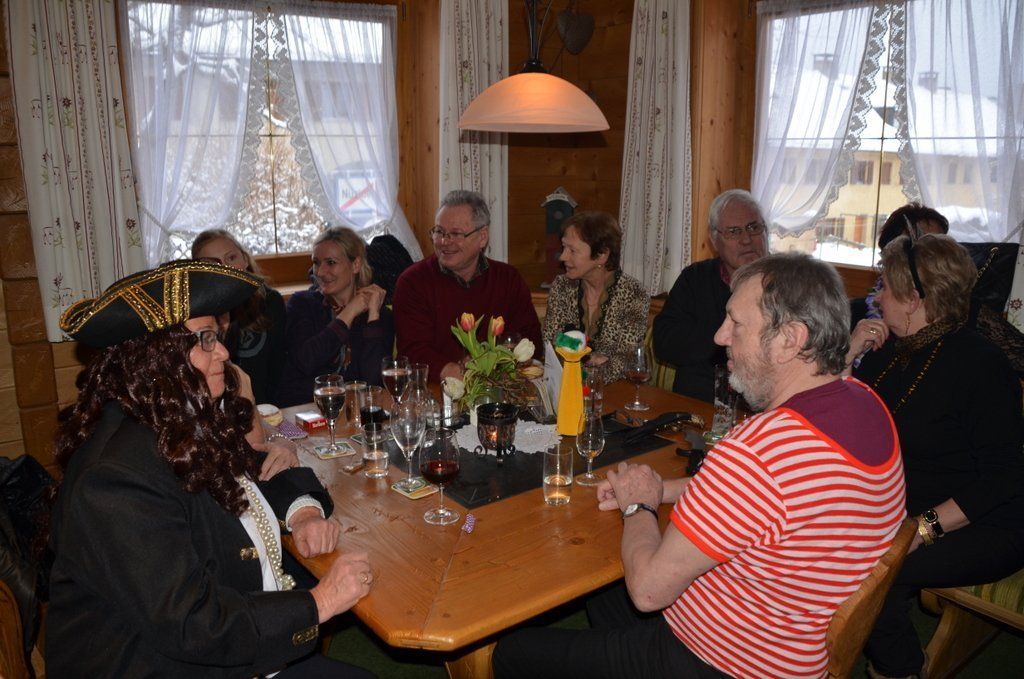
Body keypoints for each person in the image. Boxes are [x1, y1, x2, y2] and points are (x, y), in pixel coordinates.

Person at [493, 253, 907, 679]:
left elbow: (648, 593)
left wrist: (638, 505)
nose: (720, 335)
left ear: (790, 339)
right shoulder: (869, 405)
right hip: (783, 638)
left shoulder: (756, 453)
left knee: (511, 653)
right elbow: (766, 505)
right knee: (602, 591)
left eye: (736, 324)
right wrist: (662, 489)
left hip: (715, 661)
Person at [46, 260, 374, 678]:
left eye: (216, 336)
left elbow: (249, 466)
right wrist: (320, 602)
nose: (223, 352)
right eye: (205, 339)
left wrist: (302, 511)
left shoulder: (172, 421)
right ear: (157, 358)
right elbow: (191, 623)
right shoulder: (116, 477)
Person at [849, 234, 1024, 679]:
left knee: (875, 574)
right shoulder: (887, 351)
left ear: (914, 299)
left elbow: (1004, 477)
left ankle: (901, 668)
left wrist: (921, 529)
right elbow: (841, 424)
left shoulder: (981, 365)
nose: (876, 296)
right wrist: (849, 356)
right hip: (905, 506)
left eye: (885, 287)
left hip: (983, 519)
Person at [393, 190, 543, 382]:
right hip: (435, 390)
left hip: (499, 386)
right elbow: (413, 351)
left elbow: (530, 341)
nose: (444, 242)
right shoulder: (413, 282)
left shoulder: (508, 279)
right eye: (439, 232)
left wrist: (491, 362)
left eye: (456, 234)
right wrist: (457, 372)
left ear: (482, 237)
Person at [652, 189, 767, 401]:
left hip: (758, 407)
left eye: (753, 227)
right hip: (697, 402)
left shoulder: (786, 283)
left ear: (765, 230)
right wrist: (726, 334)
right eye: (734, 231)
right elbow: (664, 343)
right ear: (714, 240)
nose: (746, 239)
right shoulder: (695, 278)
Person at [278, 227, 393, 408]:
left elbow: (374, 382)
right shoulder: (303, 304)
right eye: (316, 263)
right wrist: (348, 313)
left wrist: (373, 316)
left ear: (355, 264)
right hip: (303, 410)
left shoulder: (379, 315)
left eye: (331, 262)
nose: (320, 272)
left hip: (354, 412)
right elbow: (305, 361)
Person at [542, 211, 649, 381]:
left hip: (616, 391)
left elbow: (626, 361)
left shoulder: (634, 293)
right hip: (567, 386)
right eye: (563, 247)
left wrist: (575, 354)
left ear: (601, 255)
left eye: (572, 250)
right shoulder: (562, 286)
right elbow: (551, 345)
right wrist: (592, 360)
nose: (562, 256)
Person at [191, 228, 287, 405]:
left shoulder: (270, 301)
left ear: (245, 259)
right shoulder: (199, 315)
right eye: (213, 264)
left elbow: (279, 367)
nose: (225, 268)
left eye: (231, 258)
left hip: (267, 408)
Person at [853, 203, 949, 326]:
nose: (932, 257)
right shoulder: (855, 316)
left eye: (940, 247)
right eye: (920, 247)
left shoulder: (958, 316)